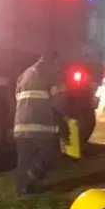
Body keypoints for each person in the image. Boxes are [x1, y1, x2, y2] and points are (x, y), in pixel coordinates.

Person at [13, 50, 69, 195]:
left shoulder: (25, 74)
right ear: (54, 60)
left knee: (24, 159)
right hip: (40, 124)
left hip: (20, 124)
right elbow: (59, 100)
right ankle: (32, 179)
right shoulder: (51, 73)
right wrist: (67, 116)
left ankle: (21, 189)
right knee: (49, 154)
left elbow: (18, 97)